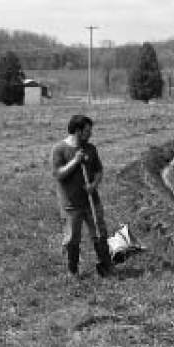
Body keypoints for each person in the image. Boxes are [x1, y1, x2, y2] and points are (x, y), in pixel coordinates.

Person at [51, 114, 115, 279]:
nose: (91, 133)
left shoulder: (91, 148)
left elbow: (99, 171)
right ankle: (73, 271)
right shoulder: (59, 149)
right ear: (77, 131)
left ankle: (105, 267)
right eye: (87, 131)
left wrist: (93, 184)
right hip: (71, 204)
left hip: (92, 201)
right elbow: (58, 174)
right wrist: (75, 161)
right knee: (72, 238)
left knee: (100, 233)